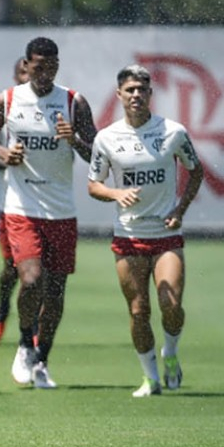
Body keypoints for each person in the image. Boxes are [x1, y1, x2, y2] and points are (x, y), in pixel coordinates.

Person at [0, 36, 97, 389]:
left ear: (57, 66)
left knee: (56, 292)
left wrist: (74, 139)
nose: (44, 72)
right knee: (31, 279)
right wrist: (3, 153)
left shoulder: (74, 102)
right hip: (22, 207)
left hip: (61, 210)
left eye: (51, 66)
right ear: (26, 66)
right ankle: (24, 341)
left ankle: (42, 359)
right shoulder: (8, 99)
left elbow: (96, 155)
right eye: (38, 66)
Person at [87, 64, 203, 397]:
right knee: (139, 310)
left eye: (142, 89)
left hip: (165, 235)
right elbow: (94, 184)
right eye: (130, 90)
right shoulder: (107, 138)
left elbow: (194, 172)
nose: (136, 95)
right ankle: (150, 377)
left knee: (171, 304)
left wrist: (180, 210)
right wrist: (115, 193)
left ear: (151, 94)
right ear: (119, 94)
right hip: (128, 235)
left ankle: (170, 352)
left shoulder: (173, 132)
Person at [0, 56, 30, 343]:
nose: (28, 77)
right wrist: (6, 158)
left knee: (39, 272)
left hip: (47, 203)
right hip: (13, 203)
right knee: (13, 268)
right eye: (22, 72)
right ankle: (2, 309)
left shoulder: (55, 107)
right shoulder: (6, 106)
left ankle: (32, 328)